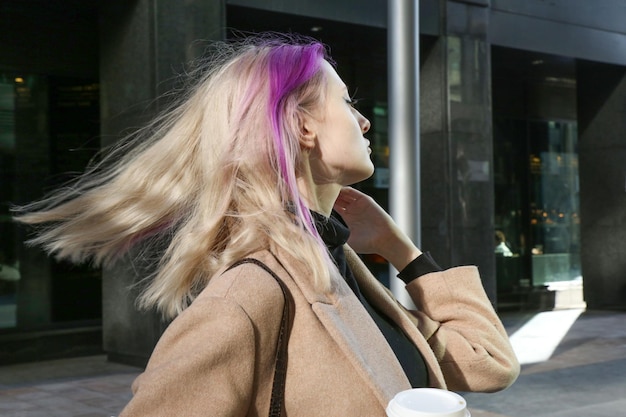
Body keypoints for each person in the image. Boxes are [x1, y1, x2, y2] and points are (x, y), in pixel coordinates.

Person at [14, 34, 519, 416]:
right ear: (301, 126)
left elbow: (489, 363)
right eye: (346, 102)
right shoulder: (251, 293)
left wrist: (402, 251)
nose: (364, 121)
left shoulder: (338, 268)